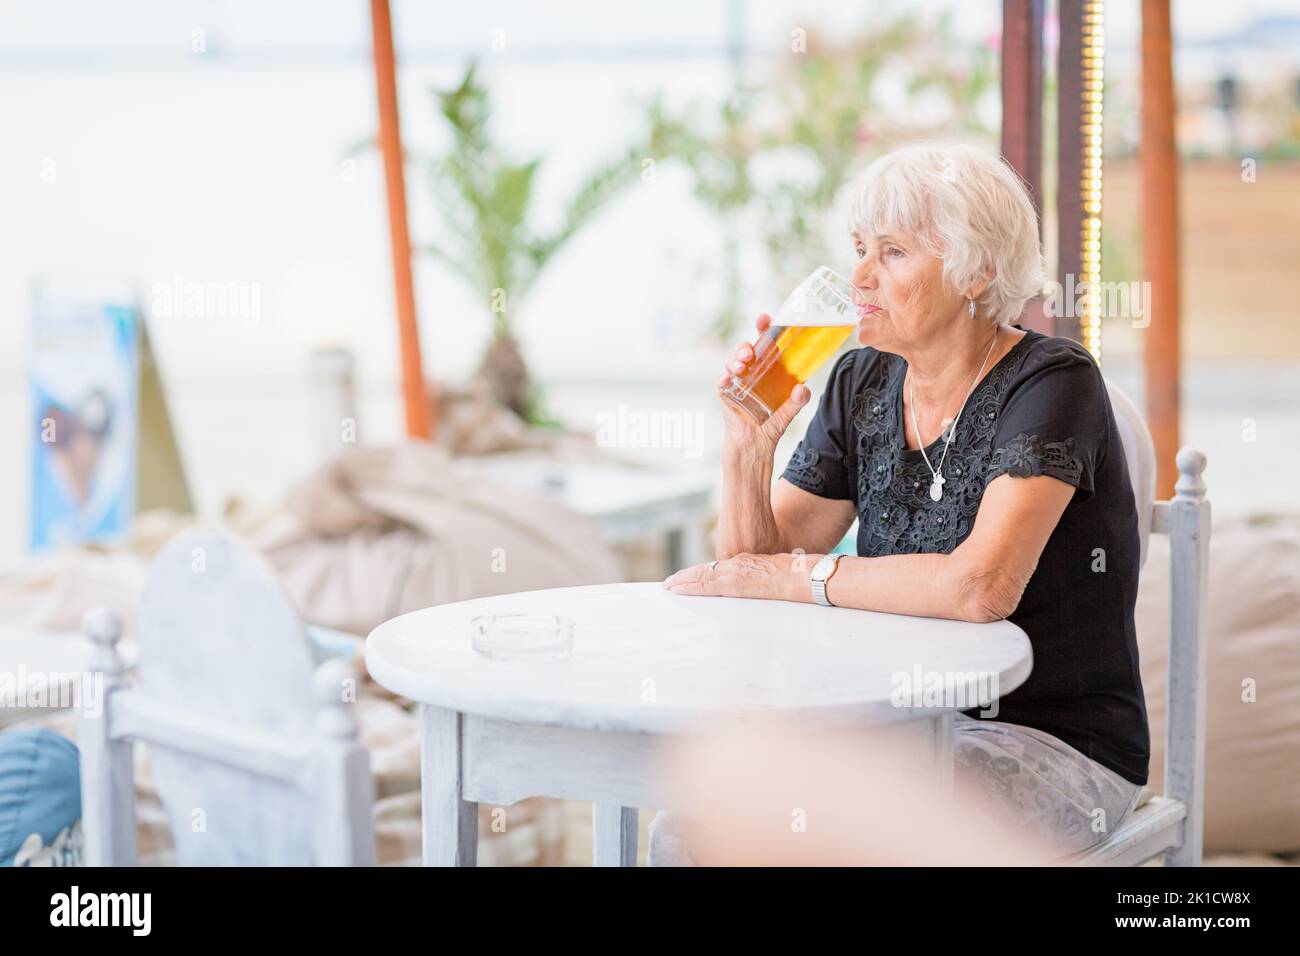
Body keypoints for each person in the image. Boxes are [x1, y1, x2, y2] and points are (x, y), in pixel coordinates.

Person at [656, 142, 1148, 865]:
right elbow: (751, 577)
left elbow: (982, 586)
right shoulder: (862, 381)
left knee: (844, 840)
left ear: (976, 269)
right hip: (894, 727)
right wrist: (746, 451)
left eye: (891, 253)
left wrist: (801, 577)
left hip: (1052, 742)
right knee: (689, 826)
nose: (858, 276)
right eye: (859, 248)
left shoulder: (1052, 381)